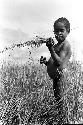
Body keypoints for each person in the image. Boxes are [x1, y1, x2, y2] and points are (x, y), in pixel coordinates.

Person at [40, 17, 72, 124]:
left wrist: (50, 49)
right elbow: (52, 62)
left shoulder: (65, 45)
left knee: (61, 100)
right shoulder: (55, 45)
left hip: (61, 77)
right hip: (55, 77)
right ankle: (61, 119)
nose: (58, 33)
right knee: (57, 99)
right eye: (56, 31)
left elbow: (59, 62)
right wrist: (45, 62)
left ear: (68, 31)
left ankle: (64, 120)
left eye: (61, 31)